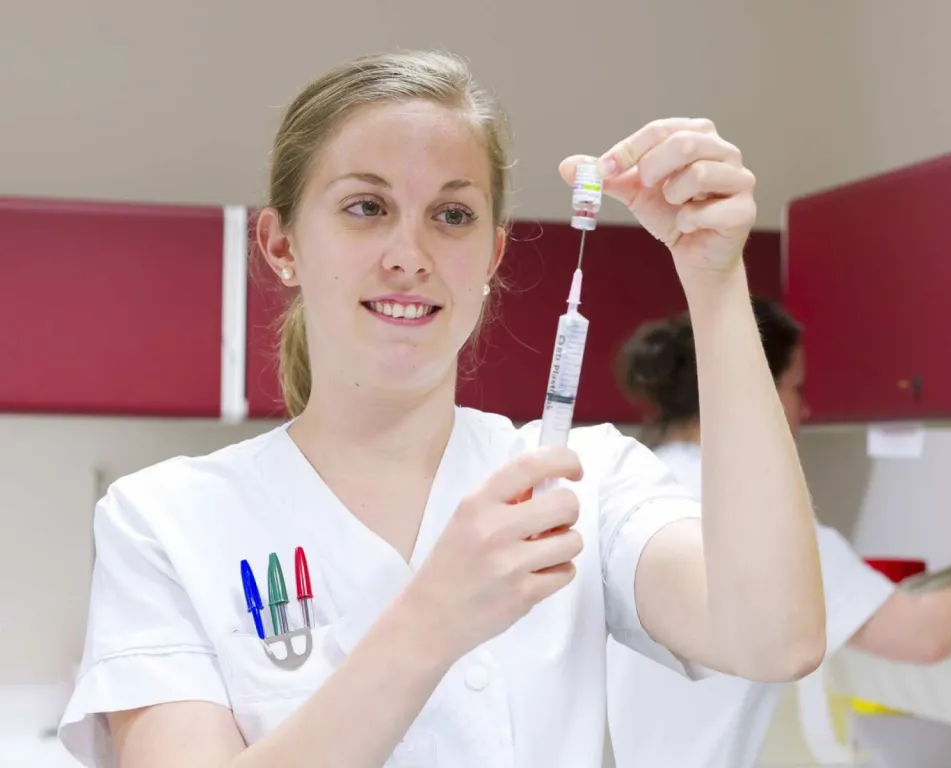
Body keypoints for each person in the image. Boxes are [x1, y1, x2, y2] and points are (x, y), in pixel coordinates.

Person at [57, 51, 828, 768]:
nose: (410, 254)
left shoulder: (581, 483)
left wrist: (715, 281)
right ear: (281, 244)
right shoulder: (162, 521)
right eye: (365, 207)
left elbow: (775, 639)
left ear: (493, 256)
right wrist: (430, 622)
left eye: (452, 215)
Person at [607, 296, 951, 768]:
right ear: (757, 391)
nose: (803, 411)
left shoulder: (640, 484)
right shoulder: (752, 511)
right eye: (797, 390)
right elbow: (925, 635)